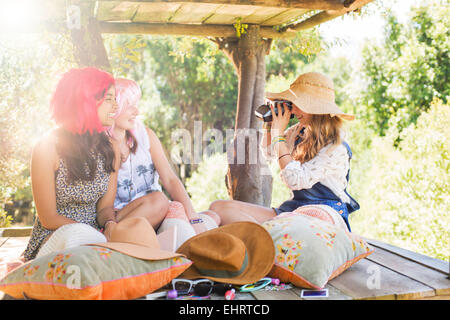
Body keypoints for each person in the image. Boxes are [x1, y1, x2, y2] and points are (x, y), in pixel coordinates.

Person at [208, 72, 360, 231]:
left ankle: (263, 236)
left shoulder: (337, 146)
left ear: (314, 107)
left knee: (275, 227)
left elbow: (295, 179)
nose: (292, 109)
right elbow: (268, 152)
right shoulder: (299, 131)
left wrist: (278, 135)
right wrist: (270, 124)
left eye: (297, 103)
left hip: (324, 213)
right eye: (291, 102)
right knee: (218, 207)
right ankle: (259, 237)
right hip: (294, 210)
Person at [22, 67, 121, 261]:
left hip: (96, 235)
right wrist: (94, 235)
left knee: (138, 226)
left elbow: (104, 207)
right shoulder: (47, 147)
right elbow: (48, 218)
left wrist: (110, 224)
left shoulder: (111, 147)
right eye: (109, 99)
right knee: (77, 236)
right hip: (58, 236)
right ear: (86, 100)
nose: (116, 106)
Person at [108, 78, 219, 243]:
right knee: (169, 205)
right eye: (129, 105)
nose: (136, 111)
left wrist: (194, 218)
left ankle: (187, 240)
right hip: (128, 217)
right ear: (113, 107)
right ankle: (192, 245)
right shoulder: (100, 146)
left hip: (159, 211)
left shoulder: (145, 135)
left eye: (136, 104)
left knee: (212, 216)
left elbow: (170, 179)